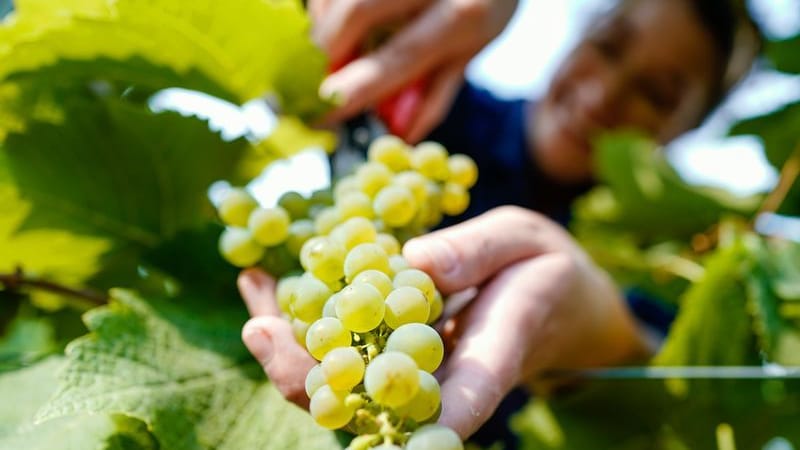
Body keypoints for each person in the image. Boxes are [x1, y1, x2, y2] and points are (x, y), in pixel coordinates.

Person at [239, 0, 761, 444]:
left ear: (689, 127)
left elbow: (688, 384)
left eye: (657, 95)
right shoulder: (428, 108)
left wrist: (606, 340)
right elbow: (302, 29)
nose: (604, 95)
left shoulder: (673, 254)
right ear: (579, 35)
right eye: (607, 46)